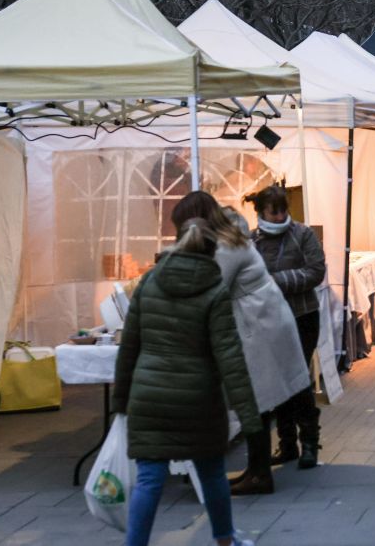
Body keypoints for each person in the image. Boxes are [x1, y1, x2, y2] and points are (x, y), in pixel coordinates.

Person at [112, 218, 261, 546]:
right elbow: (229, 356)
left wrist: (120, 401)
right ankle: (225, 541)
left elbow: (129, 347)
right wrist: (249, 415)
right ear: (212, 252)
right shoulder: (215, 290)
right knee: (210, 474)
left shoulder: (149, 282)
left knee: (149, 479)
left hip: (149, 397)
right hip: (198, 400)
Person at [169, 192, 310, 496]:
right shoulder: (229, 235)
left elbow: (211, 285)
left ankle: (259, 475)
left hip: (258, 325)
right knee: (255, 402)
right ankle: (258, 471)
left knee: (253, 402)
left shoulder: (225, 245)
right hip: (261, 321)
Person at [246, 186, 326, 471]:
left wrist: (275, 281)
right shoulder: (252, 241)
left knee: (298, 377)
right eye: (274, 211)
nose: (280, 217)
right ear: (261, 213)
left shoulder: (302, 234)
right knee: (277, 379)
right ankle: (288, 443)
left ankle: (310, 444)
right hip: (269, 320)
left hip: (302, 316)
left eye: (283, 210)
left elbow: (316, 271)